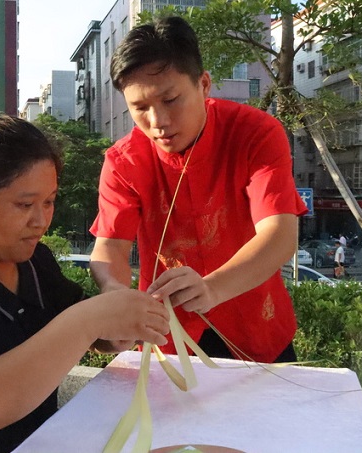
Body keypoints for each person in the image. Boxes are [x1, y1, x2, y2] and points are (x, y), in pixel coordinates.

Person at [0, 113, 170, 453]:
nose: (40, 221)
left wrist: (125, 317)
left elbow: (92, 335)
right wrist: (89, 319)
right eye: (24, 204)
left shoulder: (37, 262)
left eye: (49, 201)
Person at [89, 16, 308, 364]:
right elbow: (111, 246)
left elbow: (280, 233)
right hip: (169, 338)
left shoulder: (256, 133)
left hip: (257, 330)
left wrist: (212, 288)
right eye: (140, 108)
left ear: (204, 85)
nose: (157, 121)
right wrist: (115, 294)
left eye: (171, 99)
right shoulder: (123, 161)